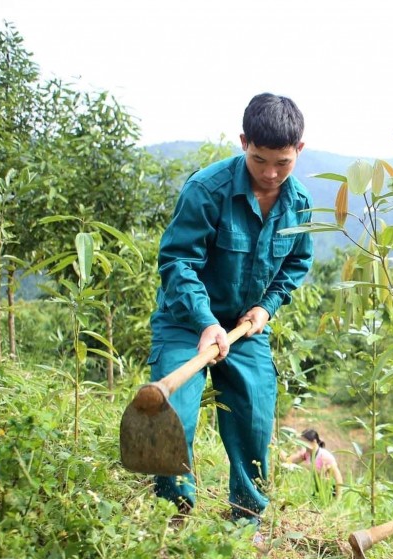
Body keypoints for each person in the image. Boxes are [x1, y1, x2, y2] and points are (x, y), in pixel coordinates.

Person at [149, 93, 313, 531]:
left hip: (245, 328)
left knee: (255, 421)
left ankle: (246, 519)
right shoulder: (208, 189)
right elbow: (177, 262)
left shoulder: (299, 205)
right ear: (243, 142)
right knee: (173, 417)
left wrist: (267, 305)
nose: (271, 173)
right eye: (260, 160)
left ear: (299, 149)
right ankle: (173, 517)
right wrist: (205, 323)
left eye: (282, 162)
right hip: (188, 322)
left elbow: (296, 263)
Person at [285, 428, 343, 498]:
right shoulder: (306, 454)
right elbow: (288, 460)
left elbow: (338, 479)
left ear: (314, 442)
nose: (303, 445)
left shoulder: (325, 457)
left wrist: (337, 500)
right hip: (317, 490)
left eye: (304, 442)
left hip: (329, 492)